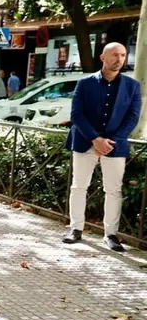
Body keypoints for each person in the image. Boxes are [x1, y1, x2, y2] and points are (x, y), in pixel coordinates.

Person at [62, 42, 142, 252]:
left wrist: (111, 141)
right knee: (79, 186)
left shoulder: (132, 86)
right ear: (102, 57)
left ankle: (111, 234)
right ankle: (75, 228)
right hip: (85, 141)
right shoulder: (84, 83)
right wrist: (95, 139)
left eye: (123, 55)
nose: (119, 59)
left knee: (114, 190)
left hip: (115, 145)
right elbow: (76, 114)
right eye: (114, 55)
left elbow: (133, 118)